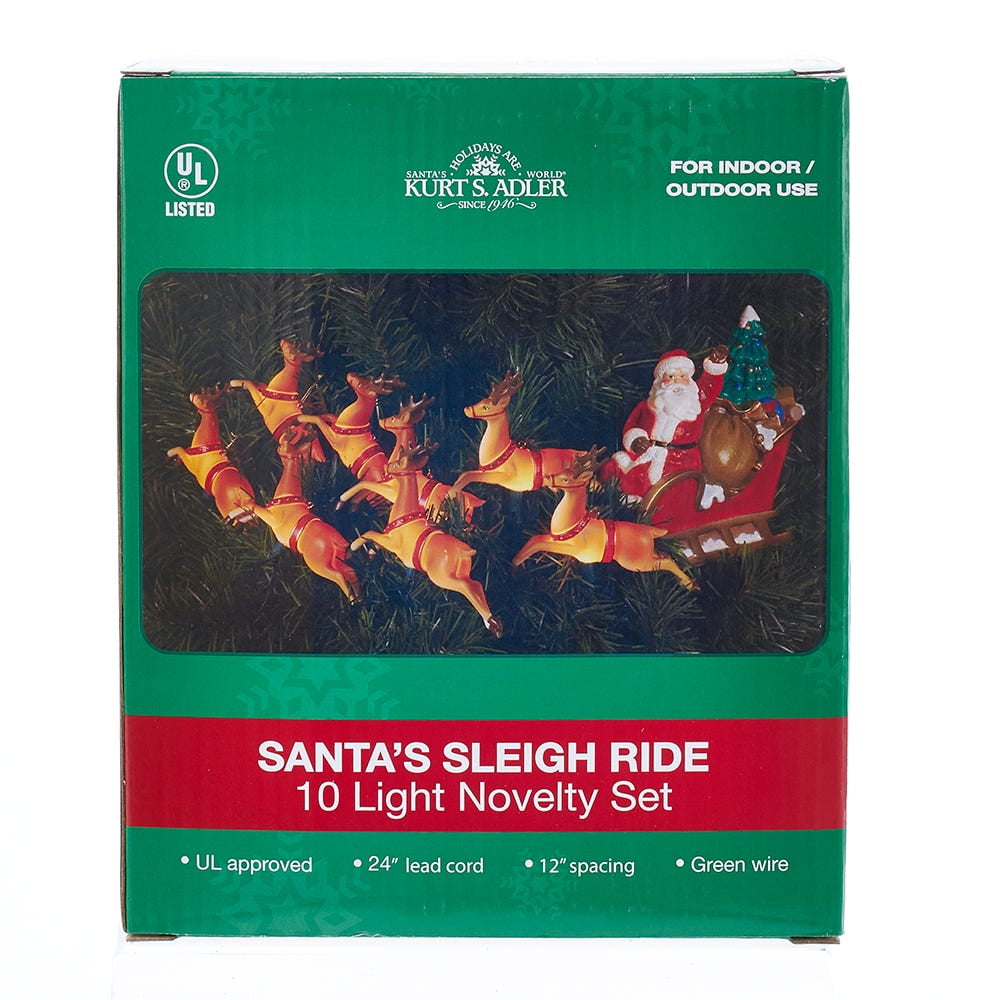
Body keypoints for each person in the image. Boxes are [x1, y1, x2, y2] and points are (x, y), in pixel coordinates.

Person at [605, 346, 729, 503]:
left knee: (664, 489)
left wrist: (715, 364)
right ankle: (622, 500)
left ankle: (639, 504)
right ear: (659, 381)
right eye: (670, 376)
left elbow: (710, 386)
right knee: (618, 464)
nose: (676, 381)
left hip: (681, 460)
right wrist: (636, 440)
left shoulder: (696, 402)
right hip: (648, 453)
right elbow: (632, 425)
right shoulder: (648, 405)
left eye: (682, 376)